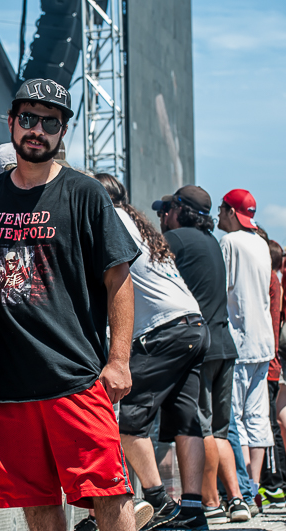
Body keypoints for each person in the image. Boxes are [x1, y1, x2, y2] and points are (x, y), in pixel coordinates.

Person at [0, 78, 140, 531]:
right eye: (29, 118)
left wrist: (119, 360)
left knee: (108, 493)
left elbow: (119, 278)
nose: (38, 130)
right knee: (36, 502)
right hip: (8, 387)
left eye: (51, 122)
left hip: (76, 378)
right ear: (11, 122)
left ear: (62, 132)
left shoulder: (85, 193)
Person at [97, 175, 209, 531]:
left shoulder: (110, 218)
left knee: (126, 421)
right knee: (187, 422)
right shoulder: (139, 224)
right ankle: (193, 511)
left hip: (164, 330)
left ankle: (160, 504)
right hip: (193, 324)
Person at [152, 186, 250, 523]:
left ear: (180, 210)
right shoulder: (212, 241)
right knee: (219, 431)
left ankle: (207, 503)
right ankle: (236, 499)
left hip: (200, 347)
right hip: (224, 345)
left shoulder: (175, 240)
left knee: (199, 427)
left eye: (167, 209)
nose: (163, 216)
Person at [217, 189, 275, 507]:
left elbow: (221, 286)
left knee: (236, 419)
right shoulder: (261, 243)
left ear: (230, 212)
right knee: (257, 417)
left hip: (238, 340)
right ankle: (254, 488)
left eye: (221, 208)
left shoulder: (229, 242)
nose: (218, 215)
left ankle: (241, 492)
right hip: (263, 340)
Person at [258, 236, 286, 508]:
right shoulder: (274, 279)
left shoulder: (270, 279)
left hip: (269, 362)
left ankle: (274, 483)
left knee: (270, 423)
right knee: (271, 421)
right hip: (271, 361)